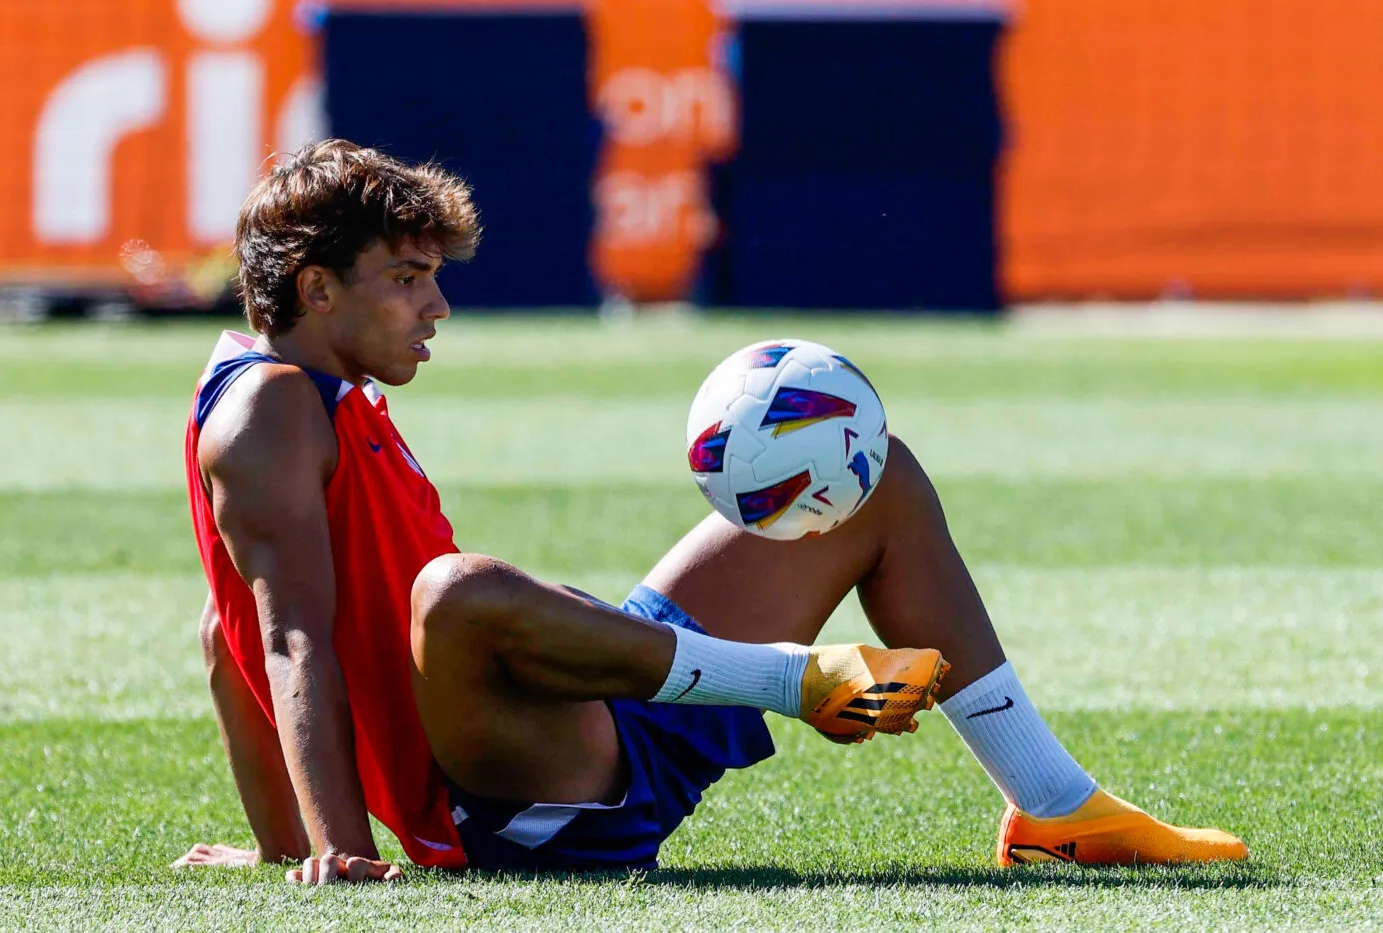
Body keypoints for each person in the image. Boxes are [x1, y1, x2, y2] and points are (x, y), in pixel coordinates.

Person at [173, 140, 1247, 884]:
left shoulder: (302, 390)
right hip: (517, 806)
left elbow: (228, 643)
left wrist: (282, 853)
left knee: (870, 475)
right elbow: (280, 640)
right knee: (456, 591)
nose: (437, 306)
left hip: (592, 711)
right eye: (407, 278)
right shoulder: (267, 408)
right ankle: (792, 680)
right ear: (316, 290)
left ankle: (1053, 810)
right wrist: (335, 854)